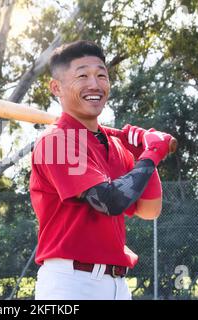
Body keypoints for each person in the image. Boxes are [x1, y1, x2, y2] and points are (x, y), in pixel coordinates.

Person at [29, 40, 174, 300]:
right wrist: (152, 155)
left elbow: (149, 210)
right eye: (82, 75)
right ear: (56, 87)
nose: (94, 84)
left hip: (117, 284)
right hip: (70, 284)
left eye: (101, 75)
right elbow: (109, 201)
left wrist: (142, 155)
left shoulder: (116, 147)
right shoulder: (57, 141)